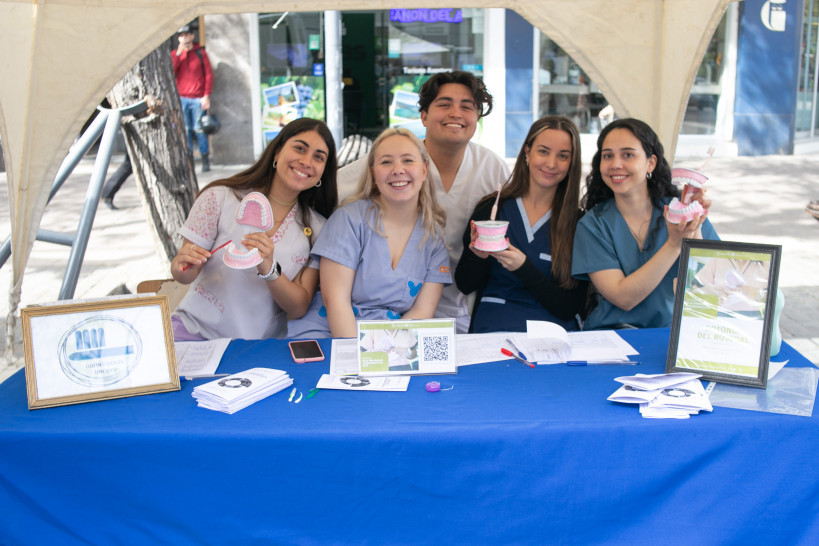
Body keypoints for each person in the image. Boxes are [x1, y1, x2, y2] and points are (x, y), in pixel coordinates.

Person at [336, 71, 510, 333]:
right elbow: (334, 188)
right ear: (424, 116)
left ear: (477, 118)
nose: (456, 113)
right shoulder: (400, 157)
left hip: (461, 303)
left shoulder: (492, 167)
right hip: (396, 303)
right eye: (444, 104)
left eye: (467, 106)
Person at [170, 118, 338, 340]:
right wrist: (182, 264)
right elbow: (184, 274)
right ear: (277, 152)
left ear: (323, 171)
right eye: (299, 148)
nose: (307, 161)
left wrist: (269, 268)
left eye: (318, 157)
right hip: (193, 333)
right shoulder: (219, 197)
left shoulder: (319, 229)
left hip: (260, 349)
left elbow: (298, 307)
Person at [288, 128, 450, 339]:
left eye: (408, 160)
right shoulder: (349, 220)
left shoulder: (434, 238)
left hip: (390, 343)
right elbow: (336, 301)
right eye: (386, 162)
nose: (397, 170)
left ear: (424, 170)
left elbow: (421, 314)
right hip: (330, 335)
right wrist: (362, 360)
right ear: (373, 173)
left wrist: (390, 354)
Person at [571, 118, 719, 330]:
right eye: (608, 155)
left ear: (651, 162)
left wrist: (694, 229)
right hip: (611, 339)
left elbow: (710, 279)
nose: (615, 164)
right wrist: (674, 244)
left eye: (628, 155)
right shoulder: (593, 224)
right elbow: (623, 297)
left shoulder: (681, 211)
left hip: (672, 335)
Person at [455, 116, 588, 332]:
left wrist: (523, 268)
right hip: (493, 331)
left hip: (553, 339)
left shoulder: (579, 223)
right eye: (543, 151)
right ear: (527, 151)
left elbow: (571, 306)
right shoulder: (492, 209)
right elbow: (465, 285)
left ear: (572, 162)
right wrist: (478, 256)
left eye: (563, 156)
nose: (551, 164)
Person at [172, 24, 214, 172]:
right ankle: (188, 160)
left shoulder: (200, 52)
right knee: (186, 130)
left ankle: (204, 159)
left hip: (198, 99)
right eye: (181, 35)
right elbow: (171, 72)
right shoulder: (176, 54)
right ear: (179, 38)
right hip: (182, 98)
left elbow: (208, 75)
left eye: (186, 35)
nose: (184, 38)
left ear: (192, 36)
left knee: (199, 129)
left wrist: (206, 95)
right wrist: (178, 54)